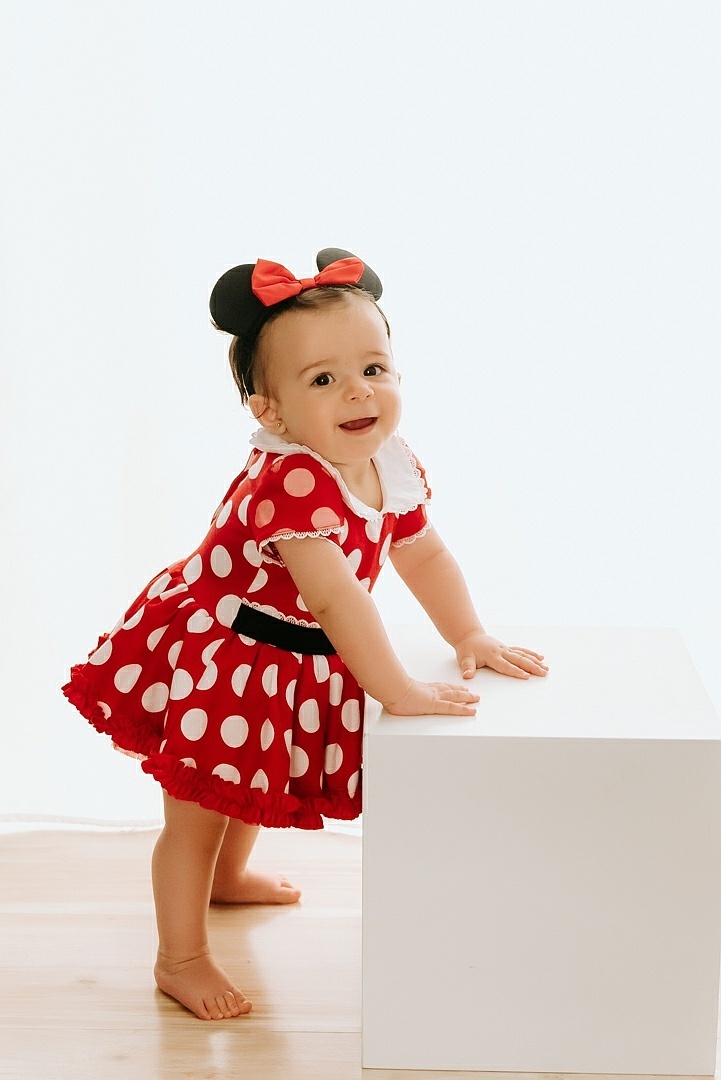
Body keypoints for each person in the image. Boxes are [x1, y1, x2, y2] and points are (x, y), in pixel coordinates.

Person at [62, 247, 548, 1022]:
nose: (359, 391)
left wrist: (469, 631)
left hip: (286, 654)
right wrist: (396, 689)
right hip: (225, 650)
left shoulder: (386, 459)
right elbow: (334, 597)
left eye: (374, 368)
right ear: (272, 412)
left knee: (253, 779)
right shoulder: (292, 479)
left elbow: (420, 551)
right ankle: (179, 957)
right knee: (198, 810)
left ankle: (229, 881)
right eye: (323, 380)